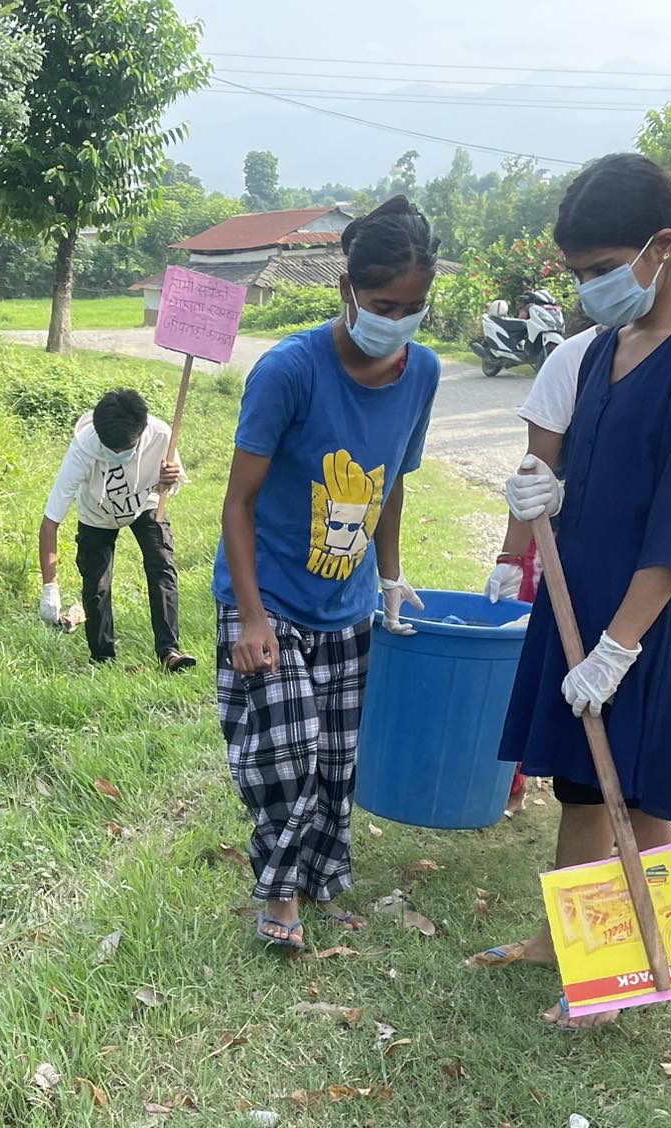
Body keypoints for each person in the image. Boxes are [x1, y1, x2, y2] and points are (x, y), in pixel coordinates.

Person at [477, 153, 671, 1028]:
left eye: (600, 271)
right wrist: (548, 499)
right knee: (580, 787)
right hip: (578, 602)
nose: (589, 289)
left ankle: (623, 971)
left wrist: (619, 648)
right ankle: (566, 944)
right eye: (579, 274)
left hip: (648, 622)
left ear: (660, 247)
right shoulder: (604, 348)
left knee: (636, 789)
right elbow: (589, 471)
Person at [213, 196, 442, 953]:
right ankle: (279, 897)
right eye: (383, 304)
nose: (398, 319)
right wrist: (249, 618)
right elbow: (238, 503)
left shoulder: (424, 373)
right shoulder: (290, 371)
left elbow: (395, 479)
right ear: (346, 289)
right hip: (269, 590)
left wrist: (392, 576)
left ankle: (315, 880)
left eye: (413, 306)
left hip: (347, 602)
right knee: (285, 755)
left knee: (337, 759)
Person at [37, 387, 196, 671]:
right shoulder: (83, 448)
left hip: (144, 503)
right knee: (96, 583)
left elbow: (168, 487)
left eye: (128, 449)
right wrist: (50, 586)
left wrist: (167, 482)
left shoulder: (160, 435)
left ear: (141, 432)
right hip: (97, 513)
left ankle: (170, 652)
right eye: (113, 451)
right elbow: (51, 521)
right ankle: (102, 658)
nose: (121, 455)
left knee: (162, 566)